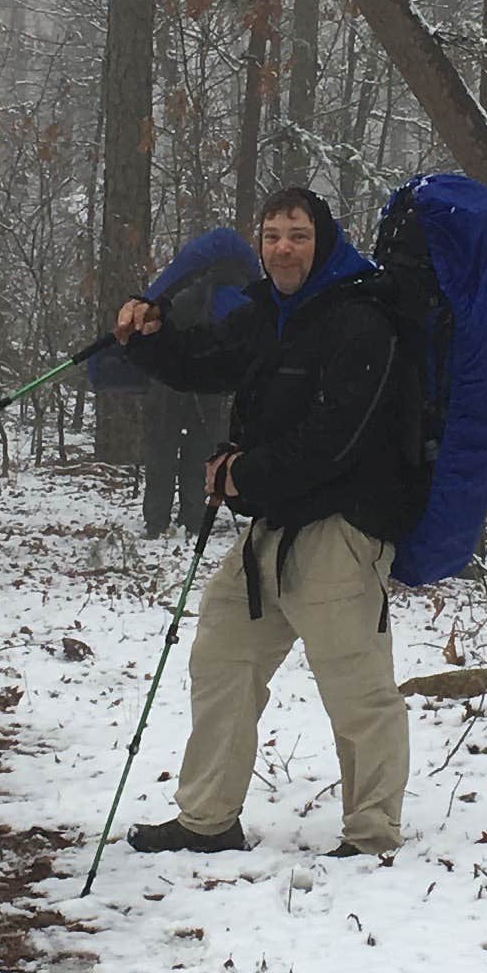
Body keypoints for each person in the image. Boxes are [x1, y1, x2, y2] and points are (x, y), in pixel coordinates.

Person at [110, 188, 414, 860]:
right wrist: (151, 336)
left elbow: (336, 439)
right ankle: (208, 820)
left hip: (341, 530)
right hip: (272, 527)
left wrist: (243, 474)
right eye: (272, 235)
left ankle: (372, 837)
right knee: (223, 656)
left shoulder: (361, 320)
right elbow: (204, 360)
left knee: (356, 690)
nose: (282, 248)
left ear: (323, 242)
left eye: (298, 235)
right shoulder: (266, 313)